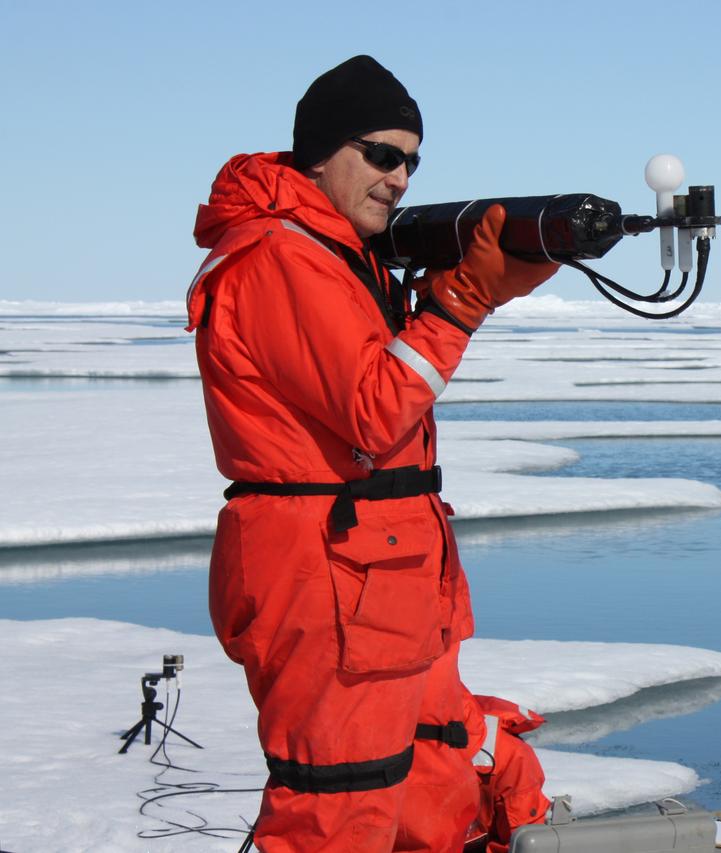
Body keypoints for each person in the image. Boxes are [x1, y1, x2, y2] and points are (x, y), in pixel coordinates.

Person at [185, 55, 558, 852]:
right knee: (338, 806)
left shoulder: (336, 253)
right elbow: (373, 408)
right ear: (320, 152)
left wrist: (466, 288)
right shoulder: (280, 256)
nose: (400, 176)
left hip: (377, 573)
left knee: (431, 779)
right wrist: (460, 305)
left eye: (412, 160)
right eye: (381, 154)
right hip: (324, 578)